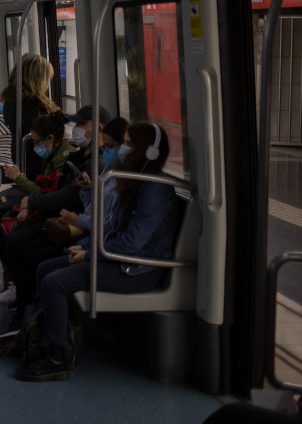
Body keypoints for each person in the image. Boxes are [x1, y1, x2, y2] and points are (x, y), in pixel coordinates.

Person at [15, 122, 182, 382]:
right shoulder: (132, 181)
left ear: (148, 153)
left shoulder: (154, 191)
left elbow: (130, 244)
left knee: (54, 282)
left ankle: (57, 357)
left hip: (137, 269)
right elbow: (111, 227)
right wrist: (83, 246)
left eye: (128, 143)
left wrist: (89, 255)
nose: (123, 149)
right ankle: (40, 335)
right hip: (119, 260)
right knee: (44, 267)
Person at [0, 107, 115, 326]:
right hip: (62, 216)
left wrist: (32, 201)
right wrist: (30, 205)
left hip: (72, 222)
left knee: (24, 249)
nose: (75, 129)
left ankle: (26, 313)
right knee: (14, 239)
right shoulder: (78, 155)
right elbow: (60, 188)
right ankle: (23, 303)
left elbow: (69, 198)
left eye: (80, 125)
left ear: (98, 129)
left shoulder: (98, 162)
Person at [0, 111, 75, 301]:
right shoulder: (52, 154)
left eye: (37, 142)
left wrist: (19, 179)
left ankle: (15, 281)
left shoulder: (63, 158)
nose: (36, 146)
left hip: (54, 211)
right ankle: (9, 275)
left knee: (6, 225)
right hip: (42, 202)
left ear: (50, 138)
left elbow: (48, 193)